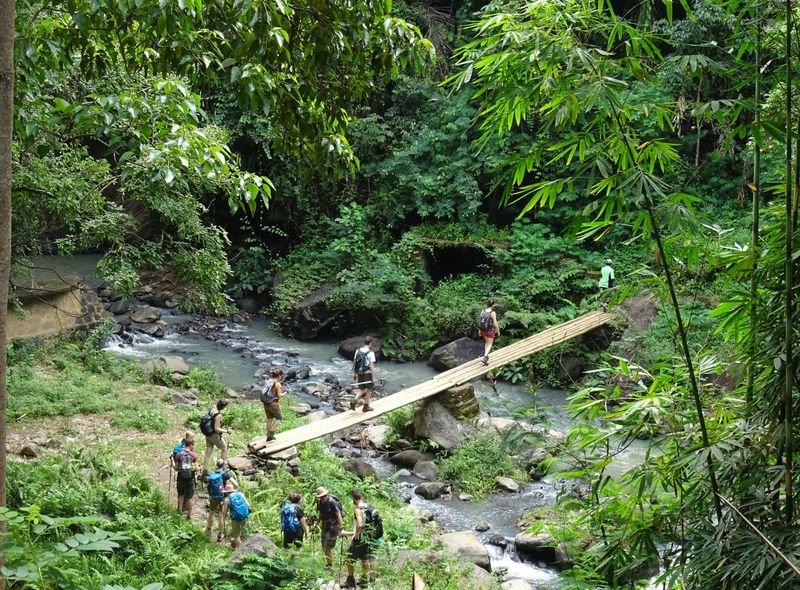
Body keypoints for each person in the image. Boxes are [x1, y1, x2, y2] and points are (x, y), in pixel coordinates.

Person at [340, 489, 379, 589]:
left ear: (353, 498)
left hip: (359, 539)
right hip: (367, 539)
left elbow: (360, 524)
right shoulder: (368, 506)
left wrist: (355, 534)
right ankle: (364, 581)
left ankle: (350, 581)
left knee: (349, 559)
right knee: (364, 560)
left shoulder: (358, 509)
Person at [205, 458, 238, 542]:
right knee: (221, 515)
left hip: (213, 497)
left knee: (211, 513)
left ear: (216, 464)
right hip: (221, 497)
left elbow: (208, 485)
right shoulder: (225, 474)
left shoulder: (212, 474)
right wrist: (231, 490)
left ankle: (208, 529)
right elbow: (236, 484)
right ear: (223, 466)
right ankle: (220, 534)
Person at [315, 486, 344, 568]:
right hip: (325, 525)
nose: (323, 498)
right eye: (321, 497)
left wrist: (341, 528)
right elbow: (320, 513)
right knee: (324, 546)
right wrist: (316, 523)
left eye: (324, 496)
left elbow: (338, 515)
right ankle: (328, 564)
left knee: (327, 547)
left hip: (333, 526)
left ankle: (329, 565)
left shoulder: (332, 502)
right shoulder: (319, 502)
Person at [201, 399, 230, 478]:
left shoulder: (213, 408)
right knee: (224, 448)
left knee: (209, 449)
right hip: (213, 435)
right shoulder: (218, 415)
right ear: (223, 407)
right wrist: (227, 431)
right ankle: (221, 468)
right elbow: (217, 429)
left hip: (207, 433)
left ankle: (205, 469)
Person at [173, 437, 199, 519]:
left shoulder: (179, 455)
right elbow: (197, 469)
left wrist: (172, 461)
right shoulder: (194, 455)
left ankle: (180, 512)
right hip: (190, 479)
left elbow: (175, 468)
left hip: (181, 479)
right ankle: (189, 515)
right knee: (189, 498)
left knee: (181, 496)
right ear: (191, 445)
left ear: (185, 444)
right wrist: (199, 467)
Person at [350, 336, 377, 412]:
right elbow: (371, 366)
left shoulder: (358, 351)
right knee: (369, 389)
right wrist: (373, 377)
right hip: (367, 373)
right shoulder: (370, 353)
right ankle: (366, 406)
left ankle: (354, 400)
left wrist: (354, 373)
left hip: (360, 372)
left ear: (364, 342)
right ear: (370, 343)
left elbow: (355, 363)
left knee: (362, 389)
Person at [261, 368, 288, 442]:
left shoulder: (269, 381)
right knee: (279, 418)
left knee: (269, 419)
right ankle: (270, 433)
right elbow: (279, 396)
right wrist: (286, 392)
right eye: (281, 376)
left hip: (266, 403)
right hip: (273, 404)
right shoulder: (277, 384)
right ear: (279, 376)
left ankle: (268, 436)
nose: (281, 377)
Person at [223, 481, 250, 549]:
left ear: (227, 492)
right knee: (238, 533)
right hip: (245, 516)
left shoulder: (227, 500)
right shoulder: (241, 494)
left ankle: (241, 551)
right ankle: (234, 543)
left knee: (236, 536)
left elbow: (224, 512)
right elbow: (248, 505)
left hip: (236, 519)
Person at [478, 299, 500, 366]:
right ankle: (485, 357)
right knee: (490, 344)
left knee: (487, 343)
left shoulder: (483, 311)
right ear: (493, 305)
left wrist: (479, 330)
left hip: (483, 330)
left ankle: (486, 357)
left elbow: (481, 321)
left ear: (487, 304)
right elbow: (495, 323)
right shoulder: (492, 313)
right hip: (489, 331)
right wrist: (498, 330)